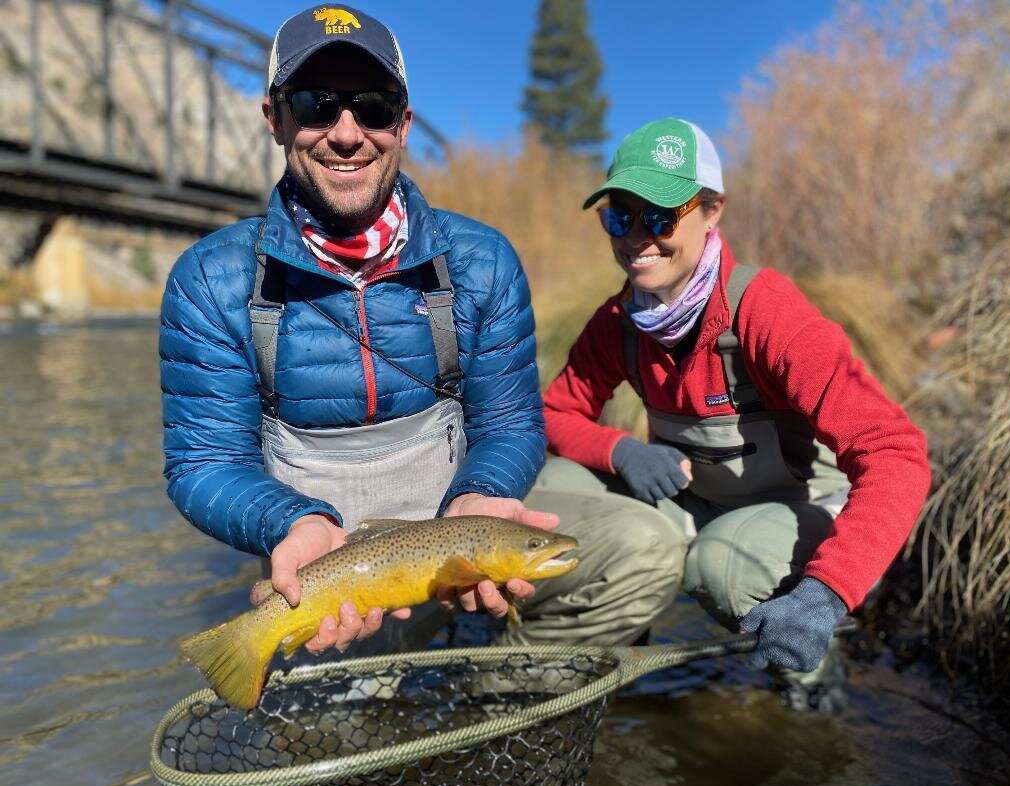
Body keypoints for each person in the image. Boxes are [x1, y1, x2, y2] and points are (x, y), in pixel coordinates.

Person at [159, 5, 676, 659]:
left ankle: (500, 697)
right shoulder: (209, 279)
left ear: (401, 123)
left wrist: (480, 498)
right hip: (329, 572)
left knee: (643, 549)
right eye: (317, 104)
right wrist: (293, 522)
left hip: (457, 528)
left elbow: (512, 427)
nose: (346, 133)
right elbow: (205, 464)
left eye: (372, 106)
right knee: (351, 736)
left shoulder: (481, 262)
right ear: (275, 119)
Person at [536, 118, 932, 708]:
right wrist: (622, 450)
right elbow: (554, 413)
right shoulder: (617, 323)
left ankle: (808, 673)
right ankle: (594, 648)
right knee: (544, 488)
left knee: (719, 568)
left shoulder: (765, 311)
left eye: (661, 217)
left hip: (795, 506)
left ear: (712, 211)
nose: (638, 238)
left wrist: (827, 592)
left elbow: (898, 454)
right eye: (620, 216)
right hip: (700, 501)